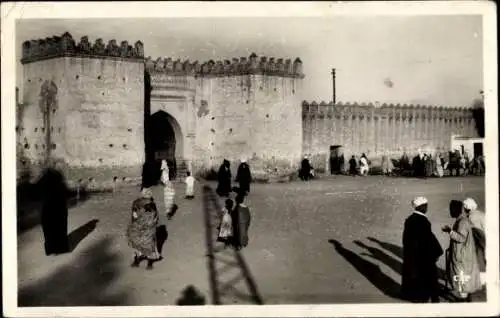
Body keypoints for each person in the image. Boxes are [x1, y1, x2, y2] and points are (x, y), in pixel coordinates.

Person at [401, 196, 443, 303]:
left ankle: (419, 296)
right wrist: (437, 252)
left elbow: (406, 240)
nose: (426, 208)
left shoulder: (409, 220)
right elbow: (429, 239)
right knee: (431, 277)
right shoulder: (423, 221)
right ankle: (433, 298)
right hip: (424, 255)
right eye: (425, 206)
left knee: (417, 278)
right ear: (421, 207)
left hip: (413, 255)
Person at [442, 200, 482, 301]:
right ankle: (466, 298)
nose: (450, 212)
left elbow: (461, 238)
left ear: (456, 209)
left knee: (461, 278)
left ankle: (463, 301)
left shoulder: (462, 222)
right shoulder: (462, 220)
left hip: (462, 256)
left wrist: (449, 231)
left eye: (451, 209)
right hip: (463, 254)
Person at [38, 160, 70, 255]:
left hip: (48, 208)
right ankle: (60, 248)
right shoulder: (59, 179)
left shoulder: (44, 179)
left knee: (49, 229)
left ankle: (51, 249)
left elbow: (36, 192)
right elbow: (66, 192)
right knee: (59, 227)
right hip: (59, 208)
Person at [127, 188, 161, 270]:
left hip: (139, 227)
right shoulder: (152, 203)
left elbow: (134, 215)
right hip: (148, 228)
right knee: (149, 244)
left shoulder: (136, 202)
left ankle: (136, 262)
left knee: (137, 244)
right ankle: (149, 264)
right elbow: (155, 216)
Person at [463, 198, 486, 287]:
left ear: (466, 208)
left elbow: (473, 232)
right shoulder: (481, 214)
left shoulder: (470, 217)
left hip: (478, 241)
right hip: (484, 239)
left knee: (477, 259)